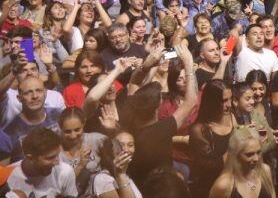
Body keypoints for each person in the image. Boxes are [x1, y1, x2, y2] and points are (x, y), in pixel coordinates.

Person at [127, 44, 198, 186]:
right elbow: (190, 101)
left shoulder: (131, 111)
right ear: (157, 107)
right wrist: (189, 64)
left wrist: (146, 65)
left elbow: (133, 83)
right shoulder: (160, 130)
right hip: (156, 183)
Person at [189, 79, 237, 198]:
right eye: (224, 100)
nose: (229, 104)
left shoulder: (231, 116)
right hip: (210, 188)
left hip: (233, 184)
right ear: (212, 102)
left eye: (230, 99)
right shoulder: (199, 130)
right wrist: (235, 149)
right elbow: (209, 167)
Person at [4, 127, 78, 197]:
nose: (57, 162)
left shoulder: (64, 172)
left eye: (57, 155)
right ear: (31, 158)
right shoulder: (7, 178)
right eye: (50, 158)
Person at [209, 125, 276, 198]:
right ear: (236, 155)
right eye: (249, 154)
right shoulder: (224, 185)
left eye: (258, 152)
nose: (256, 158)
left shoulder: (265, 171)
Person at [57, 106, 107, 194]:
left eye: (77, 130)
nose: (73, 136)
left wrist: (113, 130)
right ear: (61, 129)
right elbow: (59, 189)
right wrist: (80, 166)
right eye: (67, 131)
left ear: (83, 124)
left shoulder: (96, 140)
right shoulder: (55, 153)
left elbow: (122, 149)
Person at [89, 130, 142, 198]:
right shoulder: (103, 179)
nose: (126, 149)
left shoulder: (127, 174)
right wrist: (120, 175)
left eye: (130, 145)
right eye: (121, 145)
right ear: (111, 150)